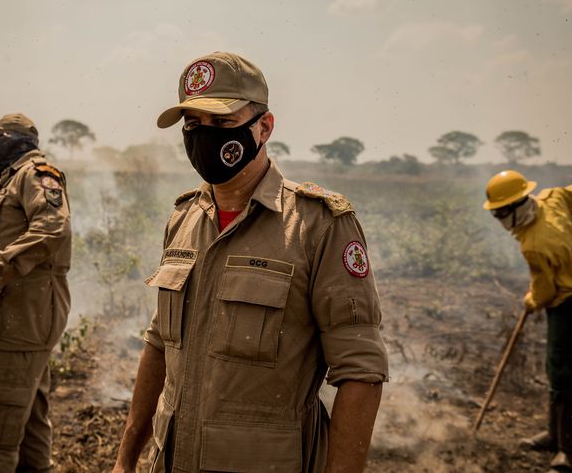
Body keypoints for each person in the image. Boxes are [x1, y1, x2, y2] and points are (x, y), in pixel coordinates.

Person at [112, 52, 388, 473]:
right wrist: (126, 458)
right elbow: (158, 344)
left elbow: (360, 370)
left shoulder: (318, 226)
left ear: (264, 127)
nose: (204, 137)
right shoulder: (184, 219)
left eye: (221, 124)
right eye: (193, 125)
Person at [0, 113, 72, 472]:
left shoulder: (35, 174)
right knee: (30, 424)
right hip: (20, 321)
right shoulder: (16, 180)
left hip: (18, 325)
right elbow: (5, 240)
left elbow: (52, 228)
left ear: (10, 140)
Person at [483, 170, 572, 473]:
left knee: (563, 374)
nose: (498, 220)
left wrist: (531, 301)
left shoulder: (535, 244)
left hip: (570, 303)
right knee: (555, 367)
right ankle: (555, 436)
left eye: (500, 214)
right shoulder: (555, 198)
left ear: (516, 207)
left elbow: (545, 290)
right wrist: (570, 208)